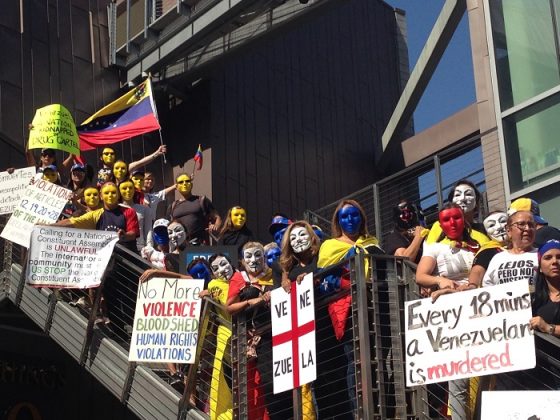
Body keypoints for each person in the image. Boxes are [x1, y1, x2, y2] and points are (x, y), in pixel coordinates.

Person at [317, 199, 383, 416]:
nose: (350, 220)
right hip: (348, 309)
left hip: (377, 303)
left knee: (378, 358)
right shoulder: (329, 246)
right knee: (355, 360)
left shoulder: (372, 241)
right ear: (338, 221)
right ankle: (360, 412)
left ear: (361, 218)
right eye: (345, 216)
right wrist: (350, 284)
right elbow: (324, 282)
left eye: (354, 215)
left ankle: (379, 407)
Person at [415, 204, 482, 420]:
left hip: (480, 312)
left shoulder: (479, 244)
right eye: (446, 219)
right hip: (452, 317)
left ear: (464, 219)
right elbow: (420, 275)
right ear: (440, 223)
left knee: (483, 374)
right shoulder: (435, 247)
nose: (452, 223)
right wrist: (440, 280)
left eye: (456, 218)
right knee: (459, 379)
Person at [226, 242, 273, 419]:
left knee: (268, 381)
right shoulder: (239, 278)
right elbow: (228, 308)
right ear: (242, 260)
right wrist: (250, 302)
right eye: (249, 256)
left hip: (270, 335)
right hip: (246, 338)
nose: (254, 260)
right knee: (249, 383)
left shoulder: (272, 275)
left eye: (258, 255)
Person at [279, 221, 321, 419]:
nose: (297, 241)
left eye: (302, 235)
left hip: (324, 326)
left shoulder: (321, 256)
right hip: (302, 336)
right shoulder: (289, 269)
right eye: (292, 238)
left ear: (312, 237)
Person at [203, 253, 236, 420]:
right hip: (226, 336)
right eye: (216, 268)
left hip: (247, 335)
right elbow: (227, 303)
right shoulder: (215, 284)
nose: (222, 270)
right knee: (224, 378)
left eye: (224, 264)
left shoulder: (242, 278)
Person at [530, 239, 560, 389]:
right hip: (538, 375)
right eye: (548, 257)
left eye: (559, 257)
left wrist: (548, 328)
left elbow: (546, 327)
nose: (555, 261)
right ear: (540, 267)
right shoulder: (533, 299)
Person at [482, 207, 538, 287]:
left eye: (531, 225)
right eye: (521, 224)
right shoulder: (497, 259)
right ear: (508, 230)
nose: (527, 228)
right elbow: (487, 287)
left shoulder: (542, 255)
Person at [426, 179, 490, 245]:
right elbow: (430, 250)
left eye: (468, 194)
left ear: (476, 202)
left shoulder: (486, 229)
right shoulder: (439, 226)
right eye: (457, 195)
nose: (463, 198)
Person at [169, 173, 221, 245]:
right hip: (179, 246)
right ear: (177, 187)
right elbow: (169, 227)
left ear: (191, 185)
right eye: (181, 182)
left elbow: (217, 217)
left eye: (187, 181)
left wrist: (215, 227)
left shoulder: (202, 200)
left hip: (200, 245)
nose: (185, 183)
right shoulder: (173, 205)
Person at [466, 211, 508, 289]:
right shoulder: (487, 251)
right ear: (487, 233)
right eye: (491, 225)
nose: (499, 227)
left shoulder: (525, 245)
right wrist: (472, 285)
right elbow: (477, 271)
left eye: (503, 221)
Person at [119, 179, 153, 250]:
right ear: (119, 191)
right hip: (120, 248)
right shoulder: (115, 209)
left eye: (130, 188)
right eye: (124, 188)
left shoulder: (144, 209)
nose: (128, 190)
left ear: (134, 190)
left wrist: (149, 247)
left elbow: (148, 230)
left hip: (140, 249)